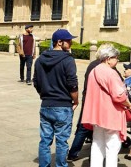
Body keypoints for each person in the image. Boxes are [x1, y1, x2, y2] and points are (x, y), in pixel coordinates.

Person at [80, 44, 131, 167]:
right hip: (110, 113)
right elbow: (119, 95)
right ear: (108, 58)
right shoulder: (111, 73)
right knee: (112, 145)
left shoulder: (94, 70)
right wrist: (129, 104)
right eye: (116, 57)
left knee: (97, 143)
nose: (118, 60)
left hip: (96, 114)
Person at [33, 28, 79, 167]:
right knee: (61, 141)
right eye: (69, 41)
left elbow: (36, 82)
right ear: (59, 42)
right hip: (63, 106)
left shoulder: (40, 59)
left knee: (45, 140)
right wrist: (76, 100)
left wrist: (44, 95)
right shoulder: (68, 60)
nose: (71, 43)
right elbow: (73, 84)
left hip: (46, 105)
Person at [67, 56, 102, 161]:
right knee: (86, 127)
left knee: (84, 127)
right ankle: (74, 153)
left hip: (88, 99)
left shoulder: (93, 64)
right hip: (93, 101)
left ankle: (73, 153)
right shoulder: (100, 66)